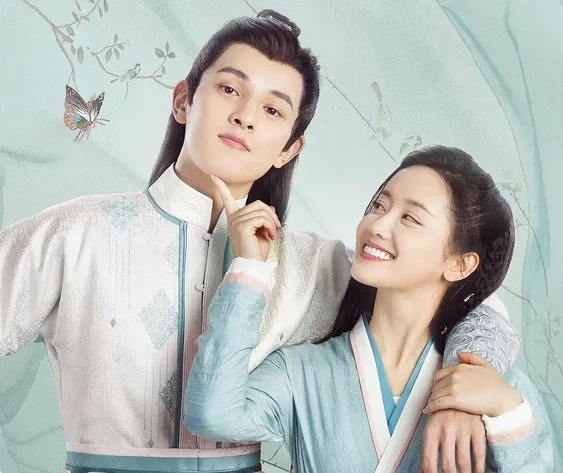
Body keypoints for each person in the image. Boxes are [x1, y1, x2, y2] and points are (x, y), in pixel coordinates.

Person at [0, 9, 518, 473]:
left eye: (273, 110)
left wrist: (461, 389)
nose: (245, 116)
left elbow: (472, 296)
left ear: (290, 147)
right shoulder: (75, 234)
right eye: (230, 89)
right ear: (183, 100)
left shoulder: (313, 266)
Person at [185, 146, 553, 473]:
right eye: (379, 205)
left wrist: (507, 410)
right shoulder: (302, 370)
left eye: (410, 218)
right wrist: (250, 268)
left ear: (460, 264)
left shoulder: (499, 390)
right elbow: (212, 416)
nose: (377, 225)